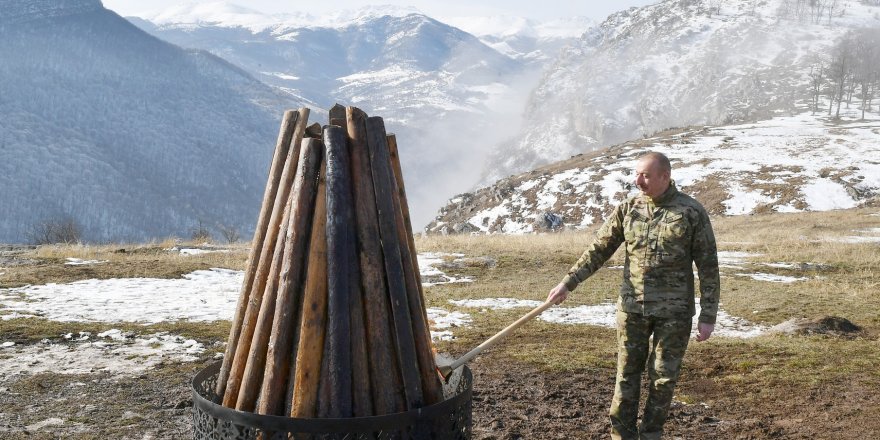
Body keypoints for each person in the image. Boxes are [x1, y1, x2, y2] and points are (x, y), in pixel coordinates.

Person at [546, 151, 720, 440]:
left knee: (663, 380)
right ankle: (621, 436)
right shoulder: (629, 208)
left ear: (665, 176)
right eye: (637, 174)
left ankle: (651, 434)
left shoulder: (690, 212)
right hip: (632, 308)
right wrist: (568, 283)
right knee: (626, 377)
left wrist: (708, 315)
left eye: (646, 175)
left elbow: (708, 266)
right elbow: (599, 249)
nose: (638, 180)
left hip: (674, 314)